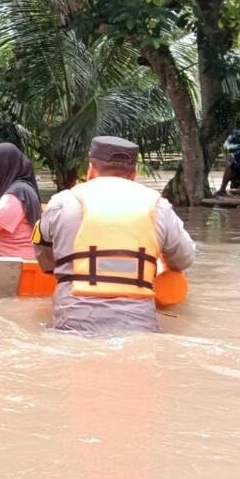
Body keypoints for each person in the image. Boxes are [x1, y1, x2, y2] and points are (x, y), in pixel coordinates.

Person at [34, 136, 195, 334]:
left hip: (72, 323)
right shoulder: (159, 207)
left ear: (90, 170)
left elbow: (43, 254)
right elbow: (184, 258)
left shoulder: (61, 203)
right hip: (138, 327)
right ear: (134, 174)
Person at [0, 142, 41, 258]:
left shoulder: (16, 195)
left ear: (4, 166)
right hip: (9, 260)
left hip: (12, 264)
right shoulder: (21, 189)